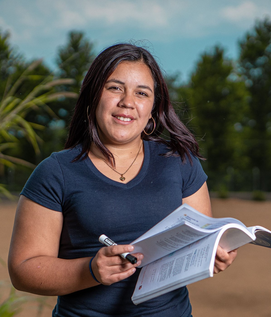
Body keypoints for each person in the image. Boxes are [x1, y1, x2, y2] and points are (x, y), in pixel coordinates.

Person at [8, 43, 237, 316]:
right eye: (115, 88)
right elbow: (23, 270)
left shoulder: (180, 162)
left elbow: (197, 245)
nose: (128, 101)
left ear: (152, 108)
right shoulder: (55, 172)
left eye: (142, 93)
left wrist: (209, 256)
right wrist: (90, 270)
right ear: (93, 96)